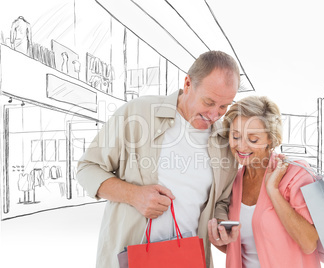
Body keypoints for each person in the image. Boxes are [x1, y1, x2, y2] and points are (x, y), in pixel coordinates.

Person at [77, 51, 241, 268]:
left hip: (189, 259)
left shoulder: (224, 141)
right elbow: (87, 168)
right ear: (188, 83)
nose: (214, 114)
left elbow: (220, 201)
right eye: (208, 102)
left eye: (223, 106)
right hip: (131, 256)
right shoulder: (139, 113)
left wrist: (221, 226)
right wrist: (134, 195)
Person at [208, 96, 321, 267]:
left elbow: (308, 243)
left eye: (253, 139)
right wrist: (218, 239)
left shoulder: (295, 174)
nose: (242, 146)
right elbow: (242, 247)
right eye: (236, 136)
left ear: (271, 139)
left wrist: (273, 191)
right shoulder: (234, 181)